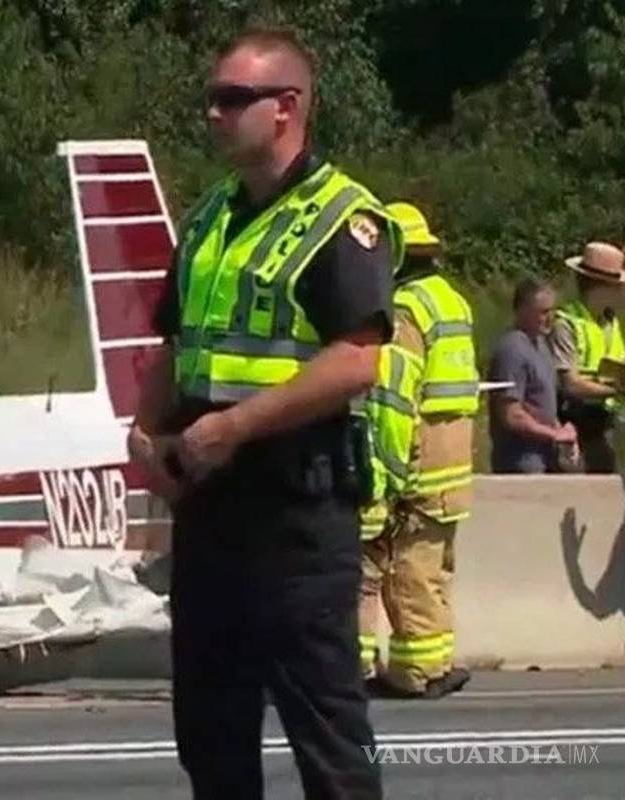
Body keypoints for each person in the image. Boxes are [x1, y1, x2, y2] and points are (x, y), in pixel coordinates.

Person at [127, 27, 400, 799]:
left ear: (286, 108)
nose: (213, 114)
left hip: (297, 510)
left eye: (231, 99)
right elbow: (179, 342)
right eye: (210, 99)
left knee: (326, 732)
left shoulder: (344, 217)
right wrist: (147, 434)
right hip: (212, 509)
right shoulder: (212, 215)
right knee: (210, 732)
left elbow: (356, 357)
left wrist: (237, 426)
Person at [358, 202, 478, 700]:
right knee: (432, 571)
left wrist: (383, 475)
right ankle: (433, 662)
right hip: (453, 468)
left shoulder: (406, 310)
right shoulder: (452, 302)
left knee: (401, 572)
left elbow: (393, 401)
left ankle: (414, 672)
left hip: (418, 465)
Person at [549, 242, 625, 473]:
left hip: (607, 423)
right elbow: (569, 384)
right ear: (600, 288)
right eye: (617, 287)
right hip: (576, 423)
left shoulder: (610, 321)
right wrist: (618, 389)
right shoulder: (566, 323)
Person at [487, 279, 577, 473]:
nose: (550, 318)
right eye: (543, 312)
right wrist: (554, 434)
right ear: (522, 310)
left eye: (553, 311)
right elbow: (511, 415)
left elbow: (541, 404)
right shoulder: (512, 350)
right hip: (521, 462)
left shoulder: (542, 346)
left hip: (547, 459)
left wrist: (563, 432)